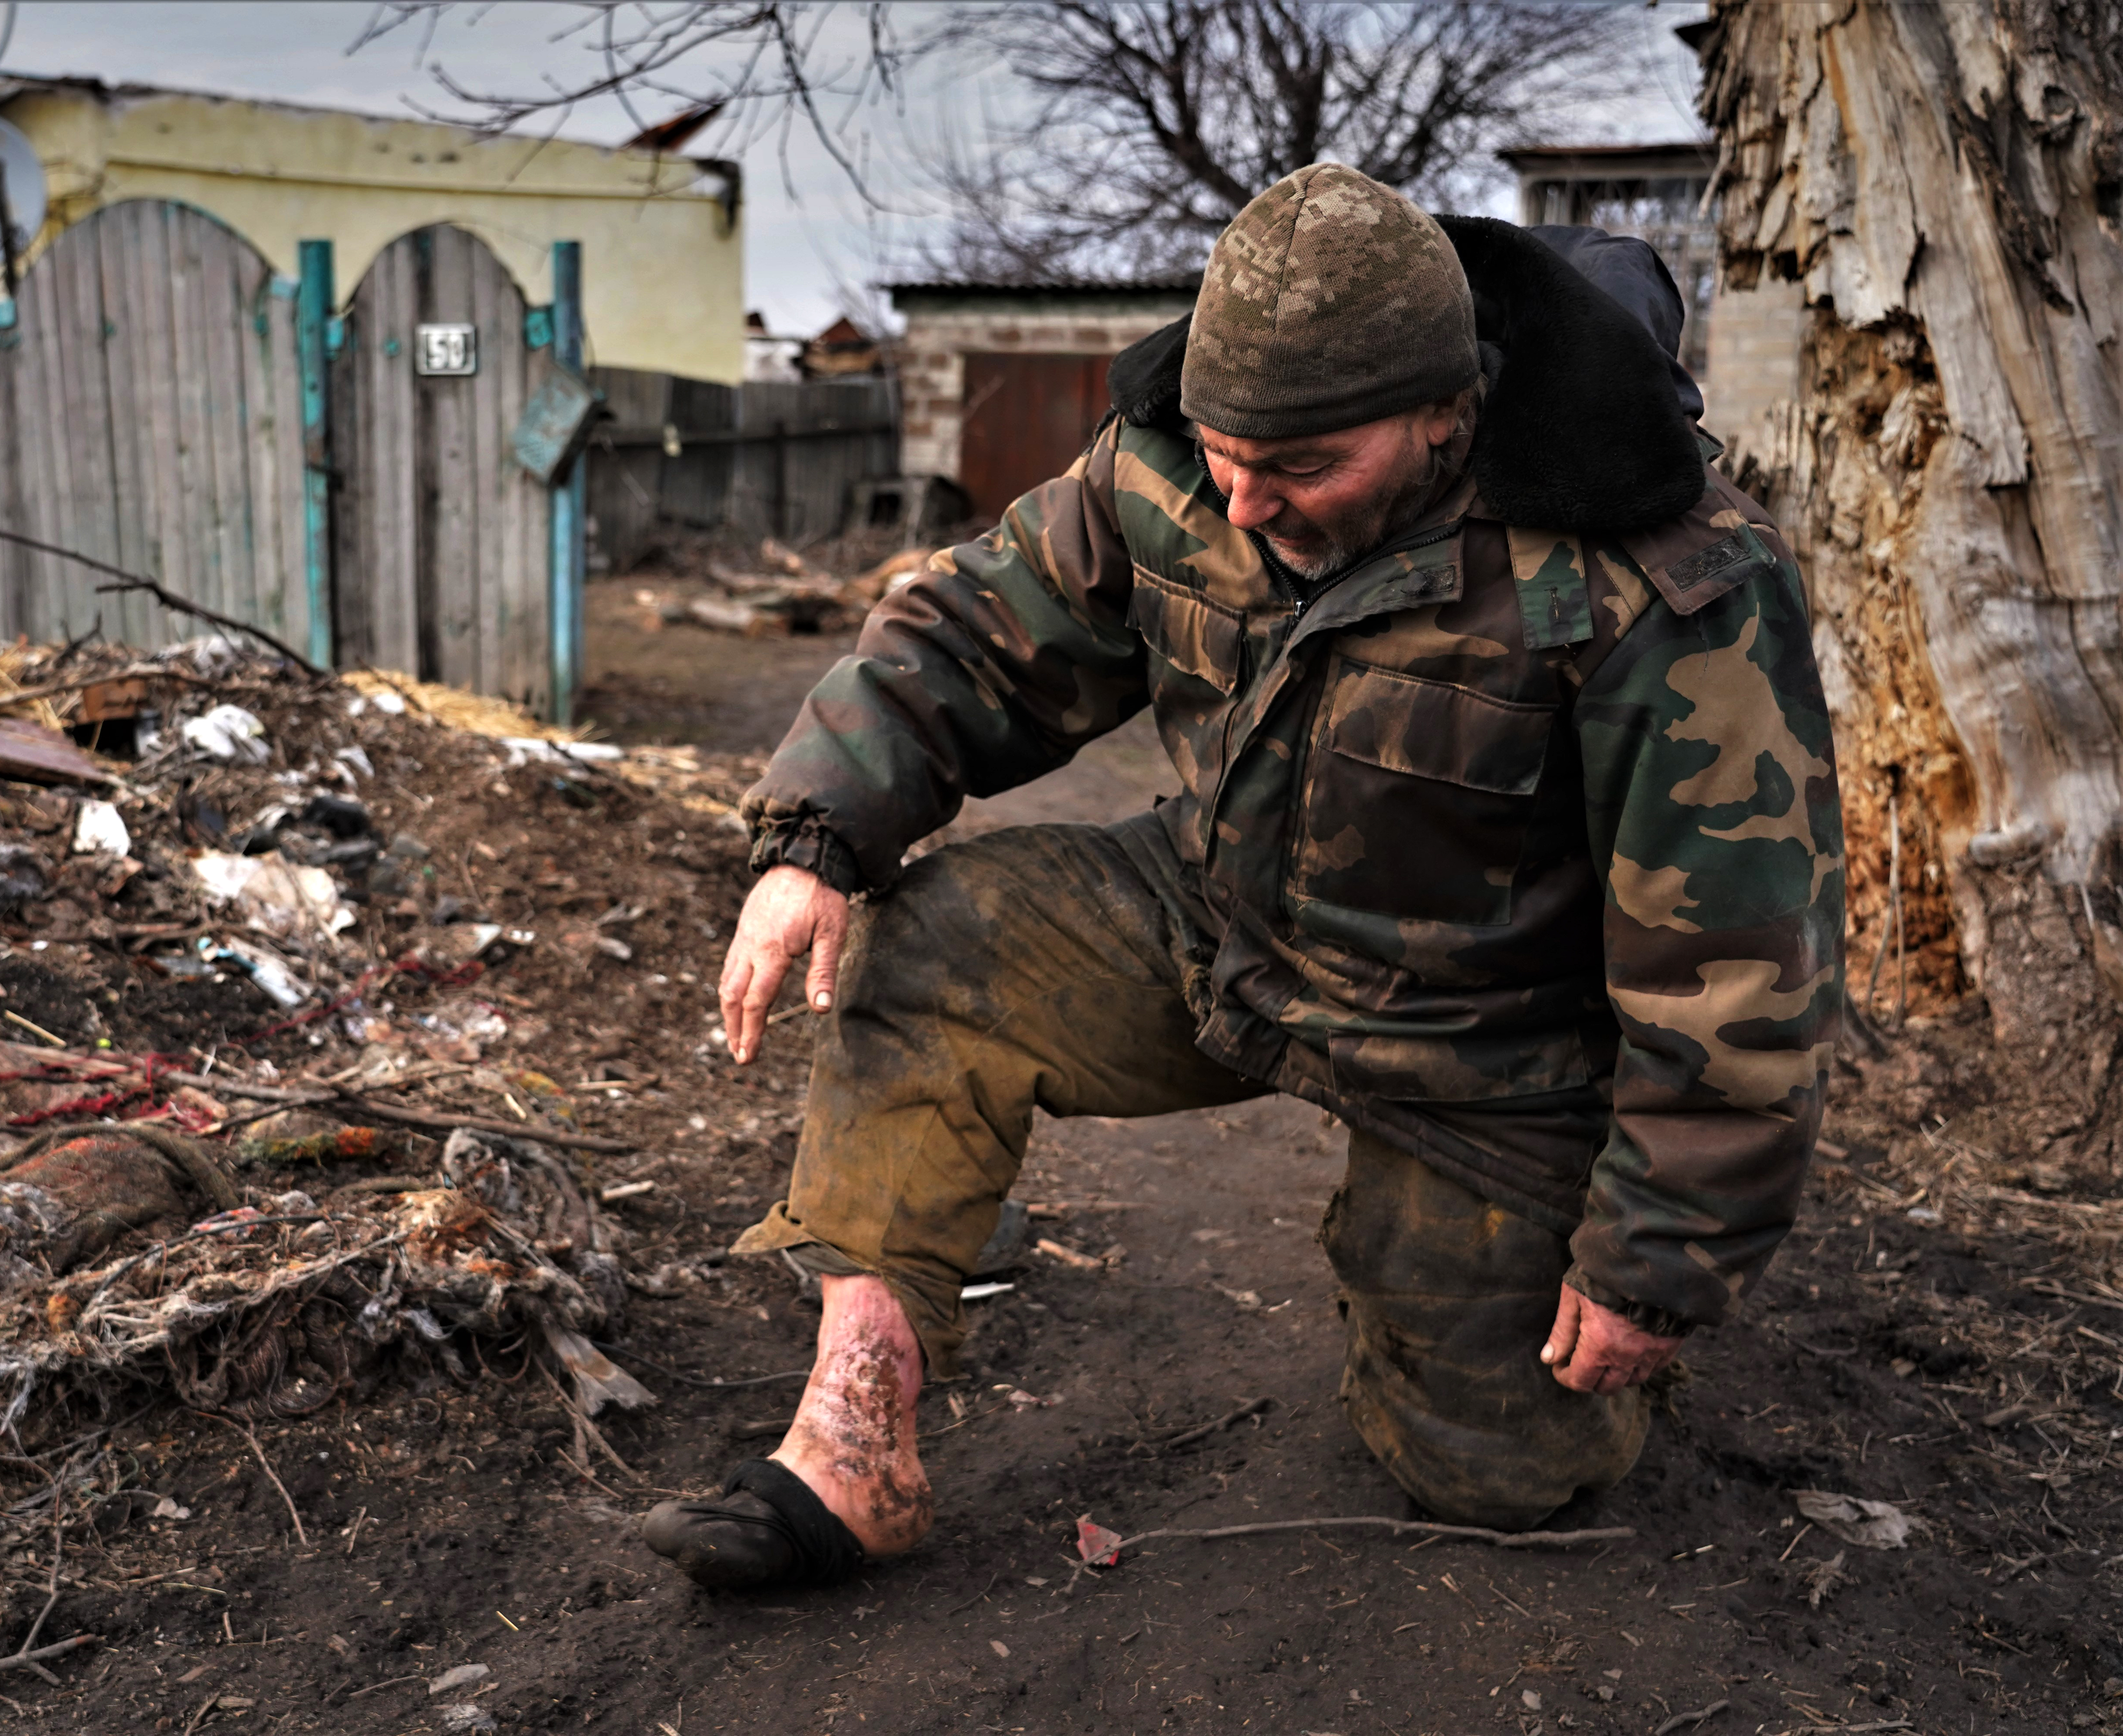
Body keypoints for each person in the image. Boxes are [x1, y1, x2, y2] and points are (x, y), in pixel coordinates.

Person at [641, 164, 1843, 1591]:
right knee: (933, 944)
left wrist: (1656, 1257)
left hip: (1491, 1046)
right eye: (1225, 455)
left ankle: (1461, 1283)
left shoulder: (1661, 576)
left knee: (1499, 1472)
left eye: (1304, 470)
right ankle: (854, 1430)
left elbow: (1737, 969)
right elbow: (977, 636)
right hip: (1221, 922)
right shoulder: (1179, 467)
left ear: (1446, 412)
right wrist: (817, 837)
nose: (1247, 501)